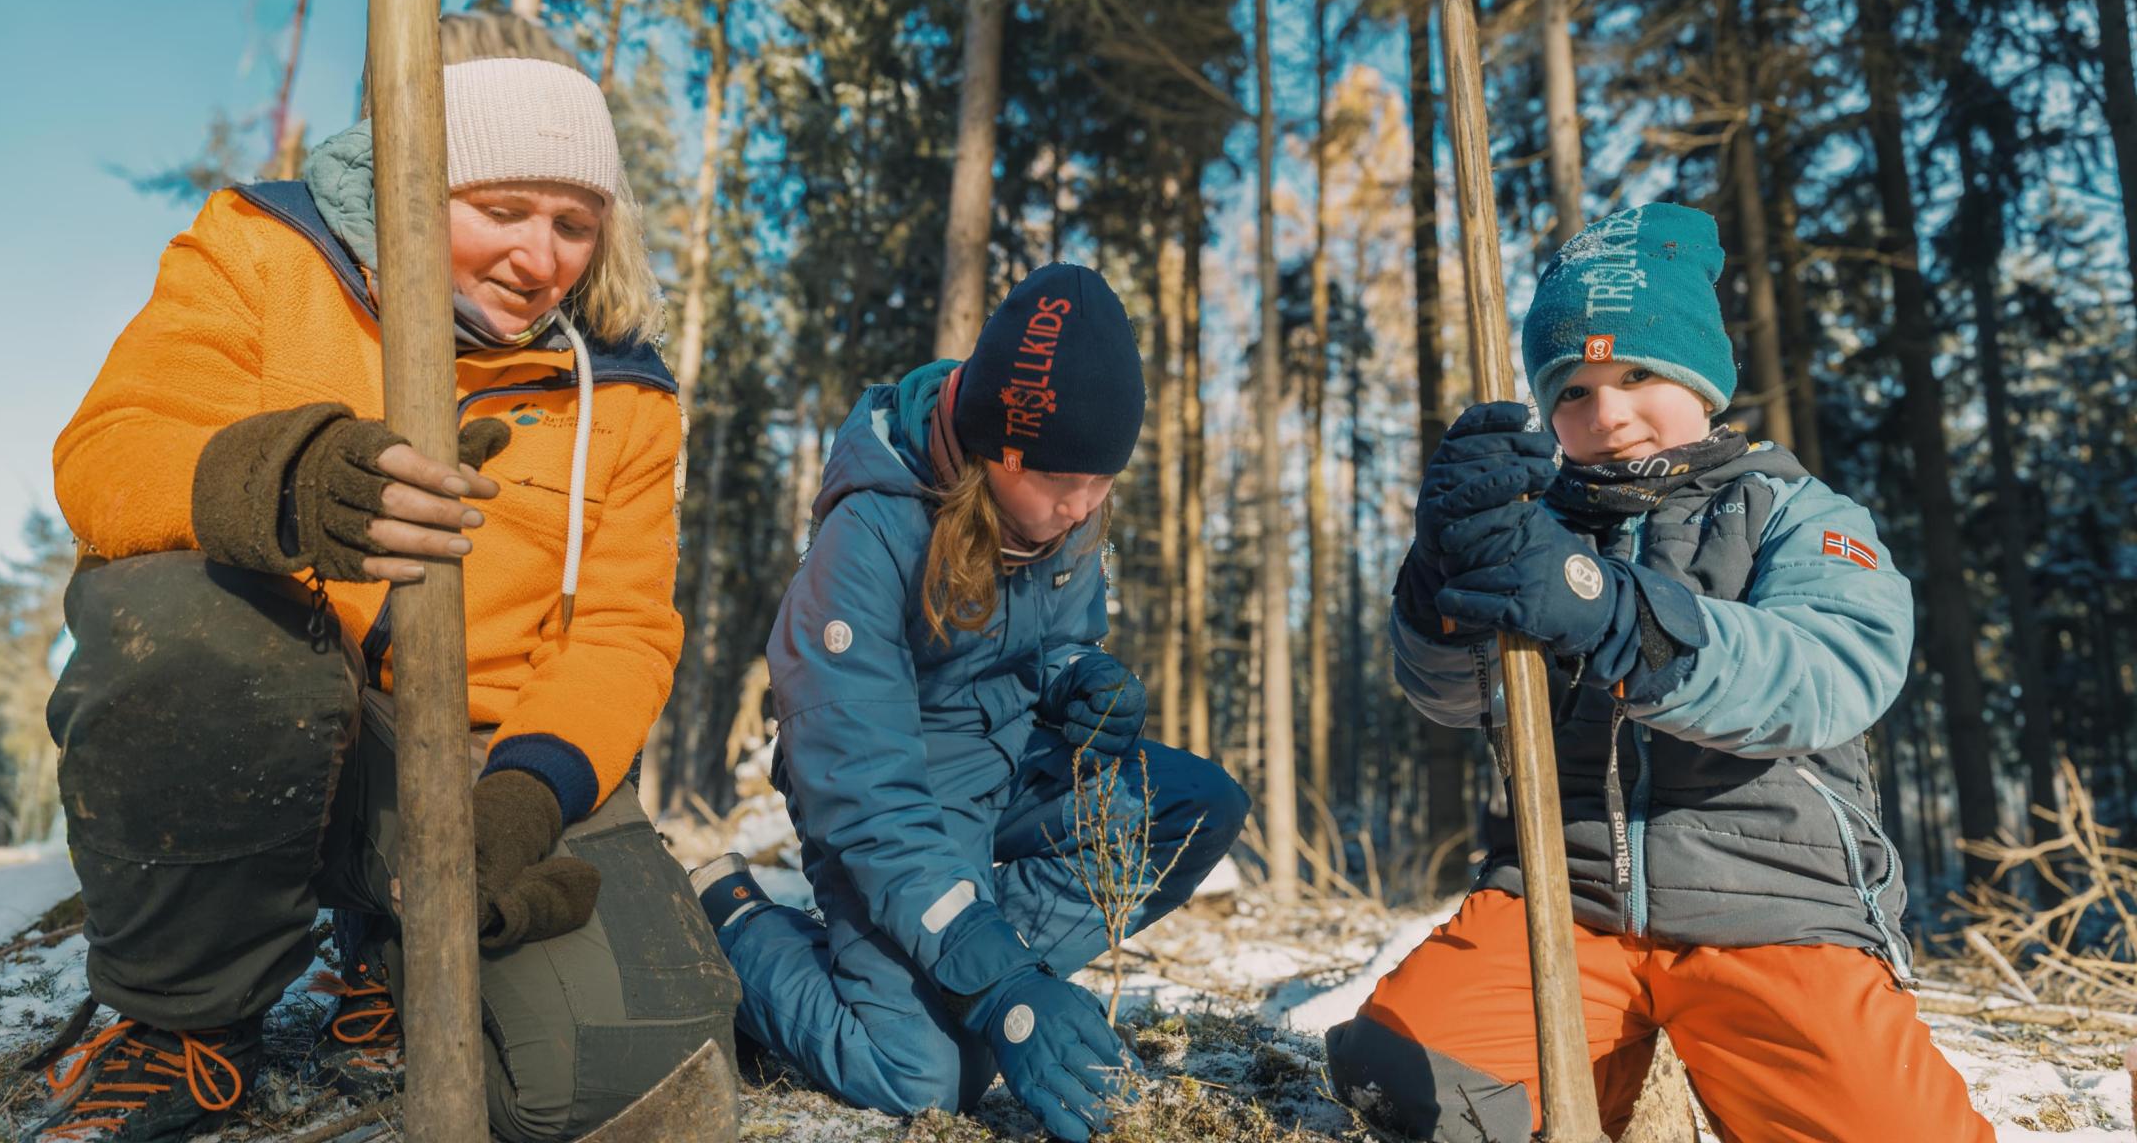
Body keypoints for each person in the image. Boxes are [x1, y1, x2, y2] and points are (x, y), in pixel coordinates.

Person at [30, 16, 739, 1143]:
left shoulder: (629, 399)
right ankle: (186, 1026)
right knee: (184, 622)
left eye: (574, 222)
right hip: (275, 712)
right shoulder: (259, 253)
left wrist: (529, 795)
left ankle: (390, 947)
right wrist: (287, 482)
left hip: (476, 757)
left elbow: (622, 630)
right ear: (412, 182)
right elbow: (108, 455)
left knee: (626, 1079)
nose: (540, 256)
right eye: (501, 211)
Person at [1324, 203, 1992, 1143]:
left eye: (1638, 373)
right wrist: (1441, 575)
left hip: (1772, 910)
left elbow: (1826, 674)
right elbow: (1452, 694)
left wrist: (1616, 613)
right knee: (1398, 1073)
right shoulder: (1532, 528)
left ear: (1703, 378)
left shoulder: (1795, 512)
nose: (1608, 414)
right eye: (1571, 392)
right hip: (1566, 904)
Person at [688, 265, 1249, 1142]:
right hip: (896, 804)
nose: (1083, 509)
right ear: (1000, 452)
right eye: (1066, 485)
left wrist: (1075, 679)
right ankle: (733, 921)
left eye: (1102, 484)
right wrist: (1004, 991)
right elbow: (867, 796)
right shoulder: (868, 539)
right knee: (921, 1077)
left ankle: (970, 955)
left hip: (1013, 768)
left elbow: (1057, 635)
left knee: (1194, 807)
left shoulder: (1059, 501)